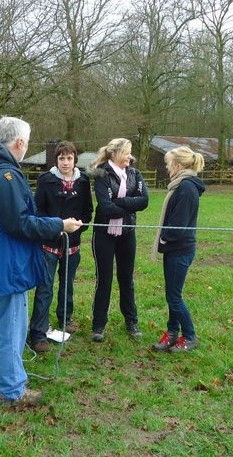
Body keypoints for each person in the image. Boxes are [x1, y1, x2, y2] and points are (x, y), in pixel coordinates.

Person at [0, 117, 82, 406]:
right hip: (2, 260)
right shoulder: (5, 174)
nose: (26, 147)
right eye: (27, 142)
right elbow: (18, 223)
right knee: (10, 326)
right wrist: (59, 225)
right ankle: (11, 390)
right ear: (19, 142)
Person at [29, 141, 93, 352]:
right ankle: (38, 332)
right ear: (56, 160)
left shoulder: (83, 182)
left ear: (75, 160)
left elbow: (87, 211)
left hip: (72, 244)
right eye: (61, 158)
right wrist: (54, 227)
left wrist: (79, 228)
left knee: (68, 284)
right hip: (49, 243)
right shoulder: (45, 180)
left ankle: (65, 318)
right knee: (45, 287)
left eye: (69, 158)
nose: (65, 162)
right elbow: (38, 210)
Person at [89, 138, 149, 342]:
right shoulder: (102, 174)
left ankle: (131, 321)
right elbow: (106, 207)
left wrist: (120, 202)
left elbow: (144, 201)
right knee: (104, 280)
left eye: (131, 152)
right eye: (126, 152)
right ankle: (98, 325)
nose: (130, 157)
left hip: (127, 232)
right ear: (113, 154)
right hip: (103, 234)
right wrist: (129, 205)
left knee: (127, 279)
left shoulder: (135, 174)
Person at [150, 146, 206, 353]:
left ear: (178, 165)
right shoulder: (182, 185)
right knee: (172, 295)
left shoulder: (186, 188)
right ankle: (172, 333)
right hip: (175, 249)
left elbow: (178, 224)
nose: (166, 167)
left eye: (168, 163)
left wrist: (164, 238)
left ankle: (190, 337)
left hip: (180, 250)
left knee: (174, 297)